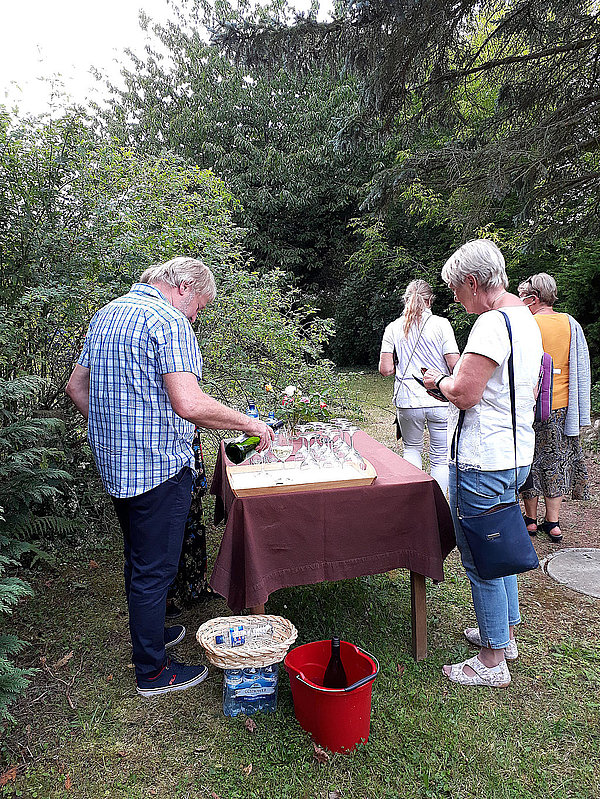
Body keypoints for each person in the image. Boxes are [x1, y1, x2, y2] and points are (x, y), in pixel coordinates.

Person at [65, 256, 274, 697]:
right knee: (154, 568)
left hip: (117, 464)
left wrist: (113, 432)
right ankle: (153, 671)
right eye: (199, 304)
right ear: (183, 286)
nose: (197, 314)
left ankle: (153, 635)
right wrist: (250, 425)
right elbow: (190, 404)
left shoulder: (107, 313)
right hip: (157, 466)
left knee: (141, 557)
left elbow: (76, 388)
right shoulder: (170, 322)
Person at [423, 240, 542, 688]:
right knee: (503, 543)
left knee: (481, 558)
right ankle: (504, 633)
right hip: (514, 455)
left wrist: (440, 382)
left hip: (483, 457)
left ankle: (492, 661)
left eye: (456, 289)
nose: (456, 298)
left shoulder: (491, 323)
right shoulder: (525, 319)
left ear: (473, 282)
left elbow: (467, 393)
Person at [517, 273, 591, 542]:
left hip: (529, 404)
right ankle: (554, 522)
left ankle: (530, 521)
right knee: (555, 461)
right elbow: (579, 366)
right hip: (561, 405)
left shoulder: (526, 323)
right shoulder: (569, 323)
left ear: (533, 298)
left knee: (529, 458)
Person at [379, 279, 459, 495]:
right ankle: (439, 503)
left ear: (405, 300)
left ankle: (413, 502)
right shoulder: (442, 324)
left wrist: (402, 366)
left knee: (412, 449)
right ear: (430, 300)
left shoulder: (393, 327)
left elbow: (385, 369)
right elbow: (454, 364)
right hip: (439, 397)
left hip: (408, 398)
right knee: (441, 458)